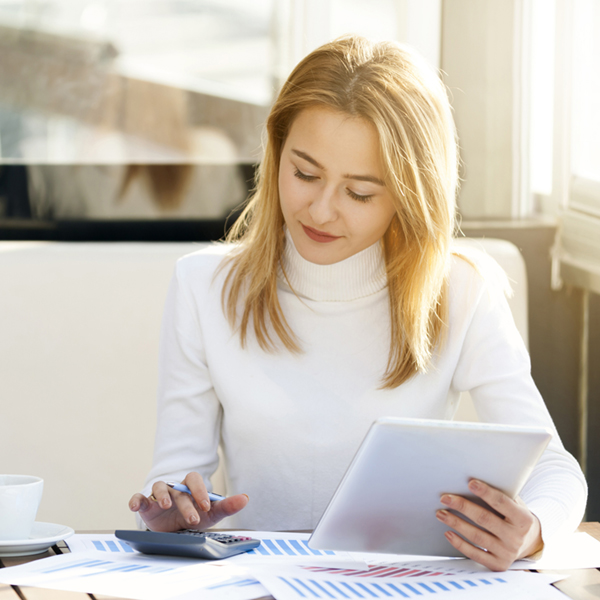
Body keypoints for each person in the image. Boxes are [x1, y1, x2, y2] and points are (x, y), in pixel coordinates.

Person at [129, 35, 586, 571]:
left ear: (411, 194)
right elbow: (178, 478)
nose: (320, 211)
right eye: (304, 173)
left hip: (406, 583)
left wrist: (532, 529)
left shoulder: (461, 291)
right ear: (277, 152)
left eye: (360, 193)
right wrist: (172, 513)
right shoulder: (203, 286)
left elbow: (554, 471)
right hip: (263, 582)